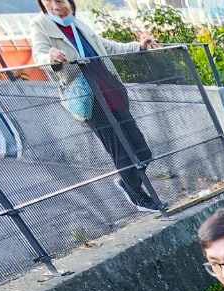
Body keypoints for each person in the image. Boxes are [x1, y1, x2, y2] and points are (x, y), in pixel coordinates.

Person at [30, 0, 164, 212]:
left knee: (141, 148)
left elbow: (108, 46)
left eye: (59, 1)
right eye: (49, 1)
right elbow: (38, 54)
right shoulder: (40, 25)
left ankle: (126, 182)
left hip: (109, 87)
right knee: (119, 149)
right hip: (87, 94)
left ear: (70, 3)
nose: (55, 6)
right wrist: (50, 57)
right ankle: (139, 196)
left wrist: (139, 46)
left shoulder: (78, 25)